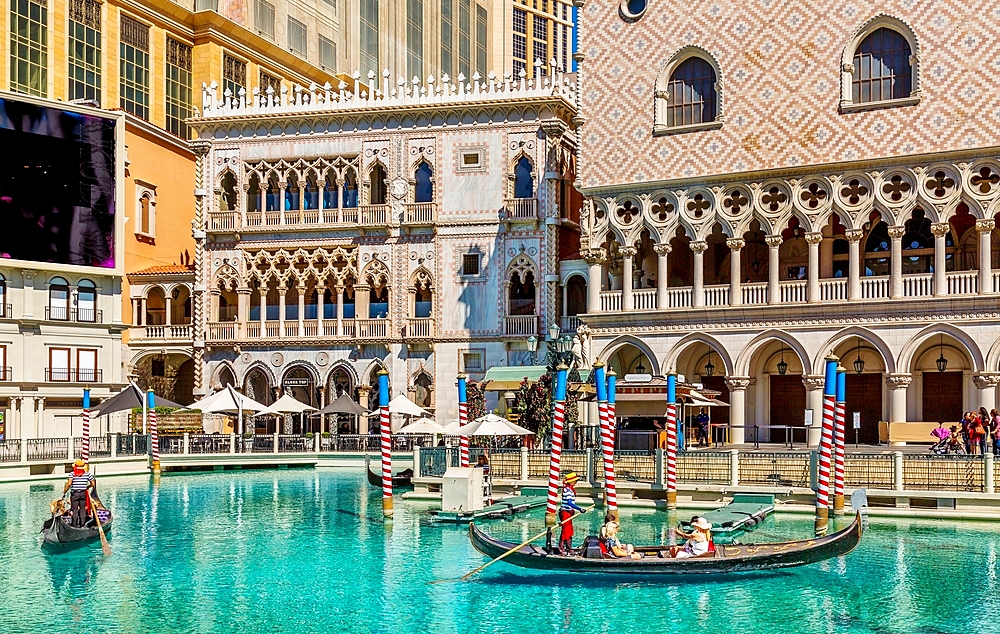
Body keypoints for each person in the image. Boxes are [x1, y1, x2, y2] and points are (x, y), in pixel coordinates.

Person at [557, 472, 585, 555]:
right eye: (575, 481)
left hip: (568, 512)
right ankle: (563, 548)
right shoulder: (568, 490)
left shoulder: (569, 489)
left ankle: (567, 548)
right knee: (566, 531)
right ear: (571, 482)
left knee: (568, 530)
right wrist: (579, 509)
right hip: (565, 512)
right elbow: (569, 503)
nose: (576, 483)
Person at [62, 459, 95, 528]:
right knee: (82, 509)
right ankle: (82, 525)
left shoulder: (72, 474)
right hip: (83, 493)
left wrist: (64, 491)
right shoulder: (87, 474)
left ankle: (74, 525)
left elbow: (69, 484)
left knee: (75, 509)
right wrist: (88, 486)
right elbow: (93, 483)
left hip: (75, 493)